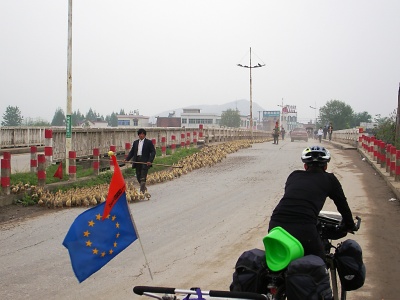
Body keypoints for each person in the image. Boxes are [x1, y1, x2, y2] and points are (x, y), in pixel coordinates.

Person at [268, 146, 356, 260]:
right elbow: (342, 204)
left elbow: (295, 200)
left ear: (305, 166)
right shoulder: (329, 179)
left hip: (275, 226)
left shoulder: (293, 176)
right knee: (318, 264)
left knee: (278, 263)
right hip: (305, 228)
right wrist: (349, 225)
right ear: (325, 166)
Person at [124, 128, 156, 193]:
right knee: (138, 176)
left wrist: (150, 160)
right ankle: (143, 188)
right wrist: (127, 159)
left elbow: (153, 152)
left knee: (143, 176)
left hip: (145, 161)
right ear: (138, 135)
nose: (141, 135)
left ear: (144, 135)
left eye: (142, 134)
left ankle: (142, 192)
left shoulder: (148, 142)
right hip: (137, 161)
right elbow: (132, 152)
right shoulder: (135, 143)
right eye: (140, 134)